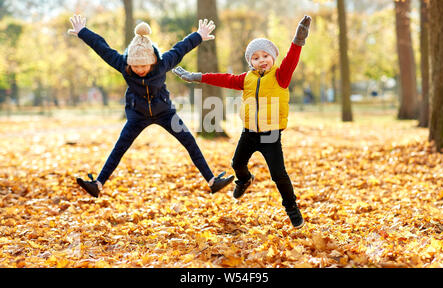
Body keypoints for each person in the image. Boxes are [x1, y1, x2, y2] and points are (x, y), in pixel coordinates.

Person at [67, 14, 234, 198]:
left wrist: (199, 35)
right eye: (135, 66)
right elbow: (103, 49)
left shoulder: (163, 63)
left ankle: (212, 181)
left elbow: (180, 49)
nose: (139, 70)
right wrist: (83, 32)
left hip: (165, 113)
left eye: (143, 66)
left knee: (189, 141)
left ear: (152, 60)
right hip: (137, 115)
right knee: (120, 147)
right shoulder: (124, 65)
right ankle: (97, 184)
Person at [172, 16, 311, 228]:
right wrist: (196, 76)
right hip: (249, 132)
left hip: (271, 135)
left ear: (273, 58)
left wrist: (298, 40)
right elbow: (223, 78)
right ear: (250, 62)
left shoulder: (281, 77)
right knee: (237, 163)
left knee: (278, 174)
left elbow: (291, 59)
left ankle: (292, 208)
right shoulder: (246, 79)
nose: (261, 60)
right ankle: (244, 179)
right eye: (255, 58)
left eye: (265, 55)